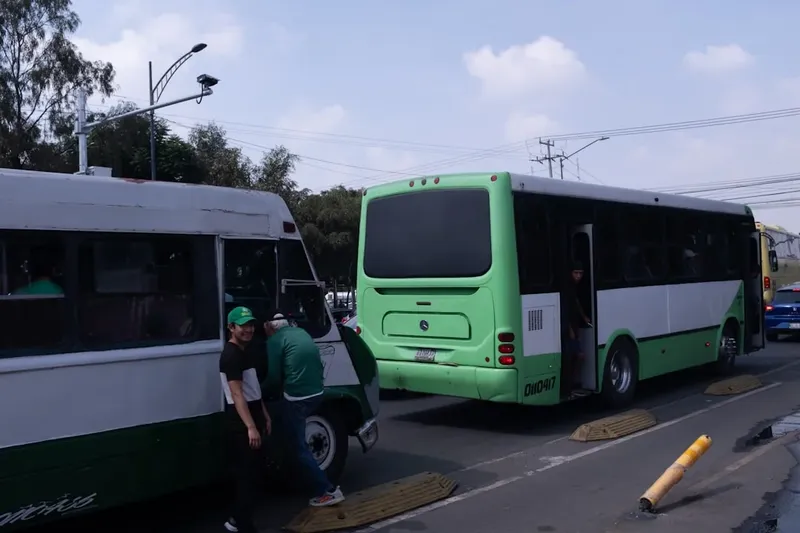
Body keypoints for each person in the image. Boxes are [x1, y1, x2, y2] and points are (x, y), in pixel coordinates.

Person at [261, 310, 345, 507]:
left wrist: (258, 391)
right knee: (290, 429)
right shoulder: (301, 333)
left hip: (297, 397)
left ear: (270, 327)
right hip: (317, 393)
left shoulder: (274, 341)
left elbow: (273, 378)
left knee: (298, 447)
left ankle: (327, 491)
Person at [220, 306, 272, 533]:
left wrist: (265, 415)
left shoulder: (244, 351)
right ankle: (242, 524)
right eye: (243, 326)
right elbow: (237, 393)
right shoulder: (231, 356)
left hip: (253, 415)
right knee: (248, 476)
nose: (249, 329)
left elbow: (252, 389)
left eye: (251, 325)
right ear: (231, 327)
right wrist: (251, 427)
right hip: (242, 423)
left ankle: (237, 520)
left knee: (253, 474)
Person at [565, 261, 591, 391]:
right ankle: (570, 384)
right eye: (576, 273)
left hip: (574, 326)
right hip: (569, 328)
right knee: (577, 356)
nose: (578, 276)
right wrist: (570, 329)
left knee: (577, 356)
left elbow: (576, 303)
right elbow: (565, 310)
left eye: (581, 273)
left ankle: (572, 383)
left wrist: (583, 317)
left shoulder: (574, 287)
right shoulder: (567, 288)